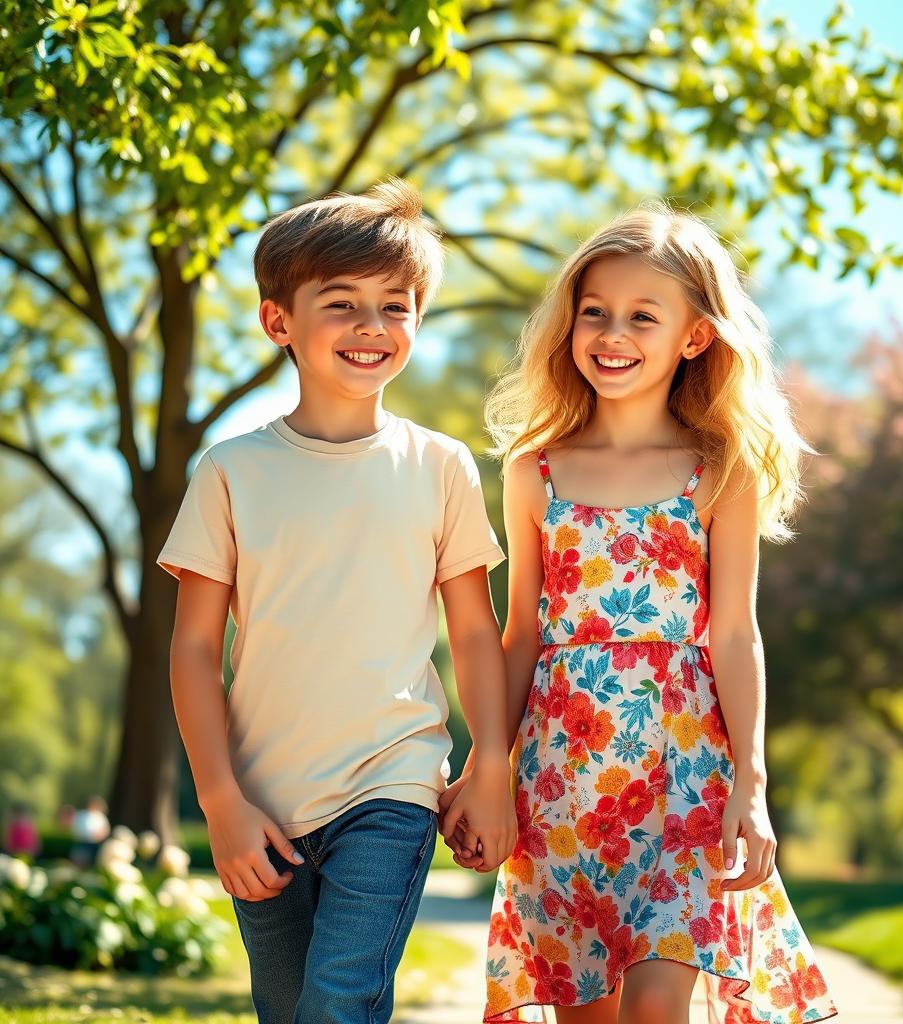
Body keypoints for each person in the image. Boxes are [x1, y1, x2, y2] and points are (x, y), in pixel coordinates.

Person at [441, 204, 837, 1023]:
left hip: (685, 774)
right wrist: (489, 766)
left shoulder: (719, 471)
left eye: (642, 317)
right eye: (596, 312)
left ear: (694, 337)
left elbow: (734, 633)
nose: (612, 334)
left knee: (657, 1010)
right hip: (563, 778)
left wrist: (752, 785)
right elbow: (521, 636)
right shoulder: (533, 471)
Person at [158, 178, 517, 1024]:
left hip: (392, 783)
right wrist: (221, 803)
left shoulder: (440, 466)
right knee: (287, 1012)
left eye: (396, 305)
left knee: (337, 1006)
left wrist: (489, 762)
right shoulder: (229, 472)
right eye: (342, 302)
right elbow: (194, 652)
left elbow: (472, 632)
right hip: (262, 803)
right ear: (277, 321)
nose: (372, 327)